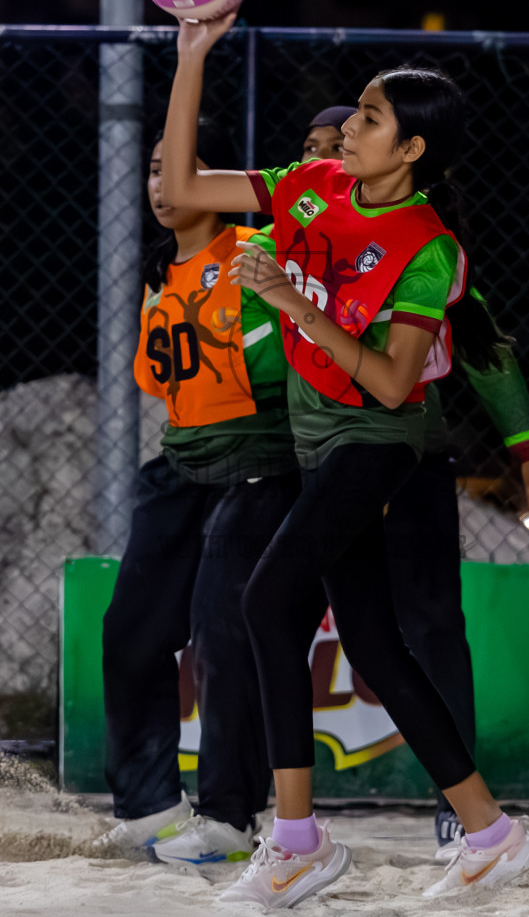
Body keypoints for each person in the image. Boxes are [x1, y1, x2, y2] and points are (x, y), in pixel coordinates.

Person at [160, 12, 529, 908]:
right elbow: (183, 184)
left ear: (409, 148)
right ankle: (490, 832)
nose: (348, 129)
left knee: (267, 599)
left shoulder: (429, 249)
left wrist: (293, 303)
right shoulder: (313, 184)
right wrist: (190, 57)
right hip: (318, 437)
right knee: (372, 639)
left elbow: (388, 384)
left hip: (380, 440)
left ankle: (296, 841)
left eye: (369, 118)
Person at [292, 106, 529, 849]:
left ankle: (459, 806)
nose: (326, 159)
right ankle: (259, 809)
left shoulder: (422, 251)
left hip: (407, 448)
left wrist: (528, 448)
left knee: (432, 620)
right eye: (311, 152)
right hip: (313, 449)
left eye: (339, 143)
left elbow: (484, 348)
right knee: (272, 612)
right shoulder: (293, 235)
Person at [96, 118, 301, 867]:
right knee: (131, 632)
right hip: (182, 463)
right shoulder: (161, 279)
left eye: (175, 167)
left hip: (257, 461)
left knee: (223, 634)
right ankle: (150, 807)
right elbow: (155, 381)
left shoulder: (254, 256)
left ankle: (229, 816)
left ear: (212, 182)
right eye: (151, 169)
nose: (159, 183)